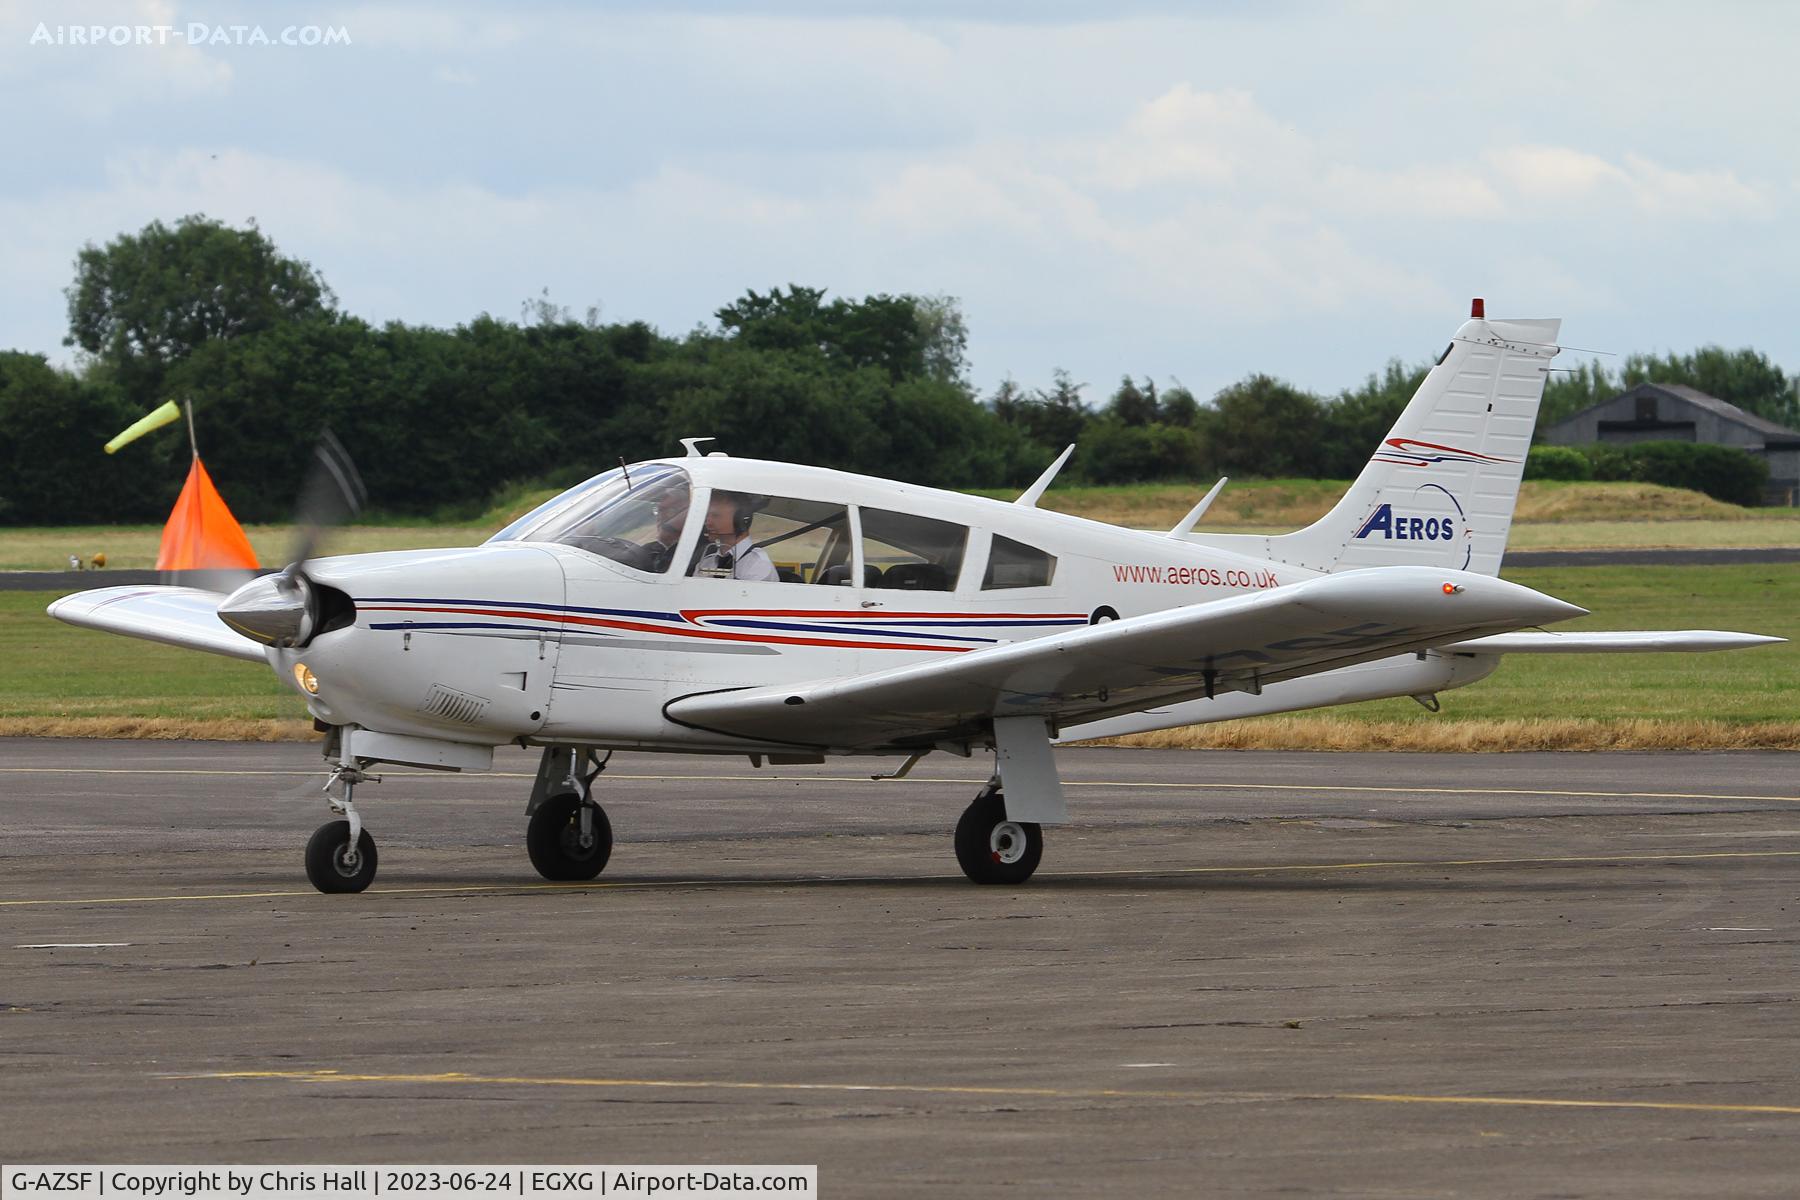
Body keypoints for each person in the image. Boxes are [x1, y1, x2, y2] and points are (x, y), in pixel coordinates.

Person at [694, 491, 778, 581]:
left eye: (715, 516)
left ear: (741, 521)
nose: (707, 522)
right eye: (707, 516)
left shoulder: (758, 566)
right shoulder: (706, 563)